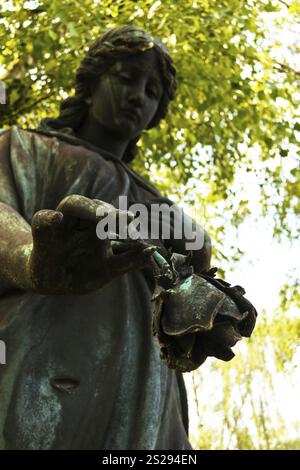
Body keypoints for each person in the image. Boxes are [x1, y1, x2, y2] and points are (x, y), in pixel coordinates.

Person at [0, 26, 255, 450]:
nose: (139, 96)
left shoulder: (157, 203)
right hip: (44, 359)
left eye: (152, 91)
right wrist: (30, 259)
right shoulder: (24, 148)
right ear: (91, 83)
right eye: (125, 78)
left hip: (145, 384)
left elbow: (184, 289)